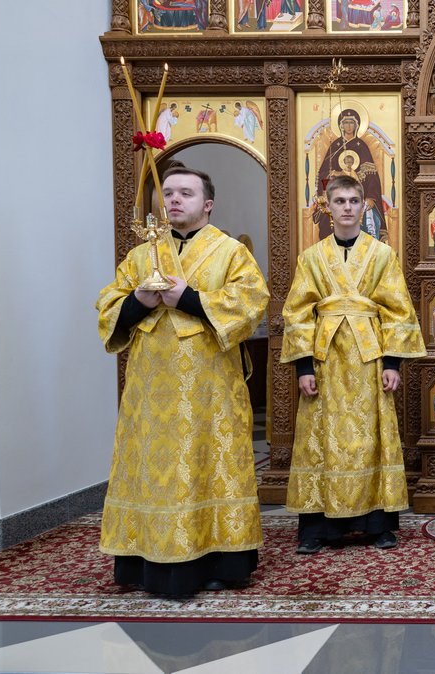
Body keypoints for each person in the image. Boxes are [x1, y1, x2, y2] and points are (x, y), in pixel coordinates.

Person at [96, 165, 269, 596]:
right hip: (150, 388)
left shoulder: (230, 252)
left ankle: (221, 562)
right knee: (152, 468)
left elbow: (251, 303)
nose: (173, 199)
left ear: (207, 204)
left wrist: (187, 299)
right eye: (168, 192)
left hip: (211, 386)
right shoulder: (142, 256)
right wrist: (139, 300)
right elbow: (108, 307)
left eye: (185, 193)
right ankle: (145, 562)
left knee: (211, 465)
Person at [281, 173, 426, 554]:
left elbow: (397, 309)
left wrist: (392, 363)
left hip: (369, 360)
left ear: (364, 206)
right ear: (327, 207)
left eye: (353, 201)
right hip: (325, 360)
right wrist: (304, 368)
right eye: (339, 201)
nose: (347, 207)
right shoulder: (311, 258)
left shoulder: (382, 255)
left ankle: (378, 525)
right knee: (320, 439)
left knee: (371, 438)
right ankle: (316, 528)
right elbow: (297, 314)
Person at [313, 108, 385, 240]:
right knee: (327, 221)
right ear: (341, 125)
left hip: (359, 198)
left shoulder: (361, 146)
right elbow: (324, 172)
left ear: (357, 125)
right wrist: (335, 174)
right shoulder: (335, 146)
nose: (349, 126)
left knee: (367, 223)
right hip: (337, 196)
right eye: (346, 122)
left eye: (352, 122)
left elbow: (372, 177)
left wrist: (371, 197)